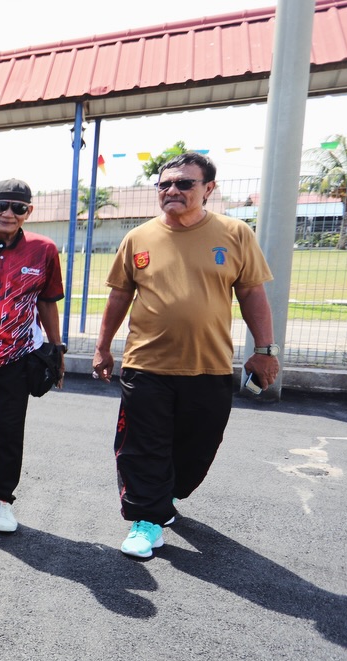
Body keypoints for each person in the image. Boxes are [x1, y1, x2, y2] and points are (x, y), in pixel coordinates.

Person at [93, 151, 278, 560]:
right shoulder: (138, 238)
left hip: (209, 367)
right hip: (145, 367)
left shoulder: (235, 234)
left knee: (198, 447)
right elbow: (119, 296)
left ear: (208, 188)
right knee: (143, 446)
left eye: (184, 183)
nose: (172, 190)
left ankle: (166, 497)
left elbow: (252, 293)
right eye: (165, 184)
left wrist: (265, 351)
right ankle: (146, 519)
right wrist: (103, 348)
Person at [0, 178, 65, 533]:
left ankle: (1, 501)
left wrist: (56, 350)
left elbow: (47, 302)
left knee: (9, 432)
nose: (8, 214)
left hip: (15, 355)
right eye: (1, 206)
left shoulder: (43, 250)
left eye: (18, 208)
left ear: (29, 211)